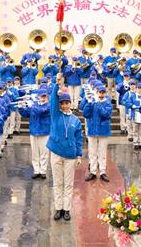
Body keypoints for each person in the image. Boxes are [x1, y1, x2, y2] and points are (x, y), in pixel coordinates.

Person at [46, 73, 83, 221]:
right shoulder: (55, 114)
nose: (65, 105)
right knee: (57, 183)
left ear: (70, 103)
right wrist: (57, 84)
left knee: (68, 183)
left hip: (70, 155)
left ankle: (66, 209)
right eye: (63, 103)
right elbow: (53, 100)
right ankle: (58, 208)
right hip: (56, 152)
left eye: (67, 102)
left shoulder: (76, 120)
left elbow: (79, 139)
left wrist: (79, 155)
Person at [83, 85, 112, 182]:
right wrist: (89, 103)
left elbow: (106, 115)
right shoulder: (92, 102)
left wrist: (98, 104)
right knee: (92, 152)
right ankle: (93, 171)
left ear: (105, 93)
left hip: (103, 131)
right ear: (96, 92)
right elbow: (86, 114)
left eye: (103, 92)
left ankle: (103, 172)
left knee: (102, 152)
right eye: (99, 92)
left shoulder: (108, 103)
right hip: (92, 130)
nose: (101, 94)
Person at [19, 90, 51, 179]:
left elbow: (42, 112)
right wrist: (21, 107)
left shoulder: (48, 106)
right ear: (38, 97)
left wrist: (31, 105)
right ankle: (37, 171)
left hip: (44, 131)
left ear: (47, 97)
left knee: (44, 153)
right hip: (34, 131)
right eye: (41, 96)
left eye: (44, 96)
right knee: (35, 153)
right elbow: (25, 114)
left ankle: (43, 171)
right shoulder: (34, 105)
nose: (43, 98)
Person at [128, 83, 141, 150]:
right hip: (135, 113)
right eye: (138, 88)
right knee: (135, 129)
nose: (139, 89)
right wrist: (132, 105)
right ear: (136, 88)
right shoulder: (133, 96)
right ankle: (136, 142)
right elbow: (128, 102)